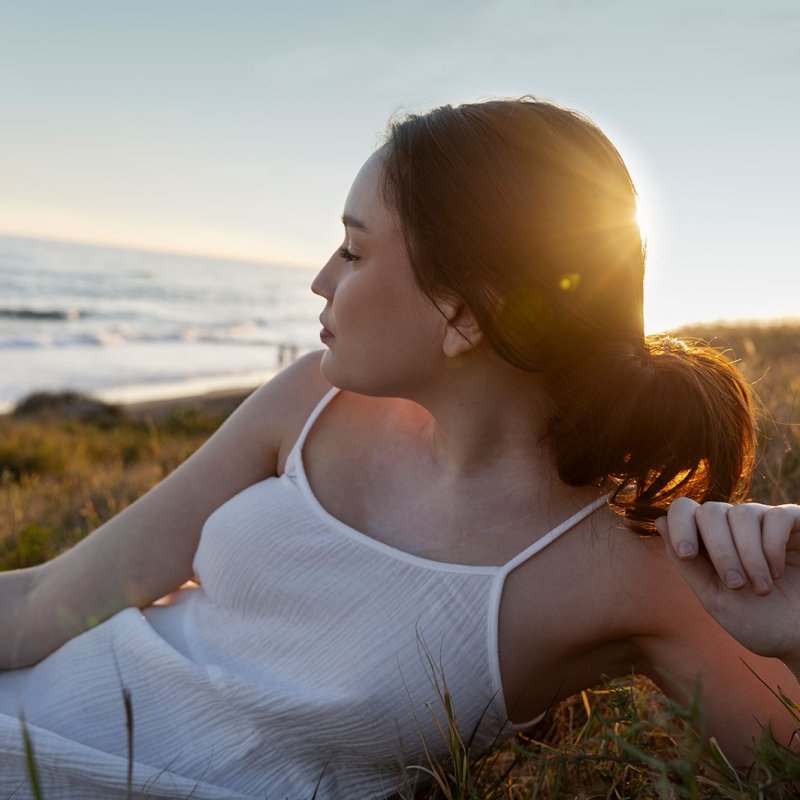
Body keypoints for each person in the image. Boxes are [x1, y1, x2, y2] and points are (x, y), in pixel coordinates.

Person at [0, 96, 797, 799]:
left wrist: (793, 636)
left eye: (353, 250)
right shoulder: (314, 401)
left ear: (466, 316)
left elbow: (776, 767)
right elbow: (44, 604)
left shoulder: (631, 561)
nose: (320, 280)